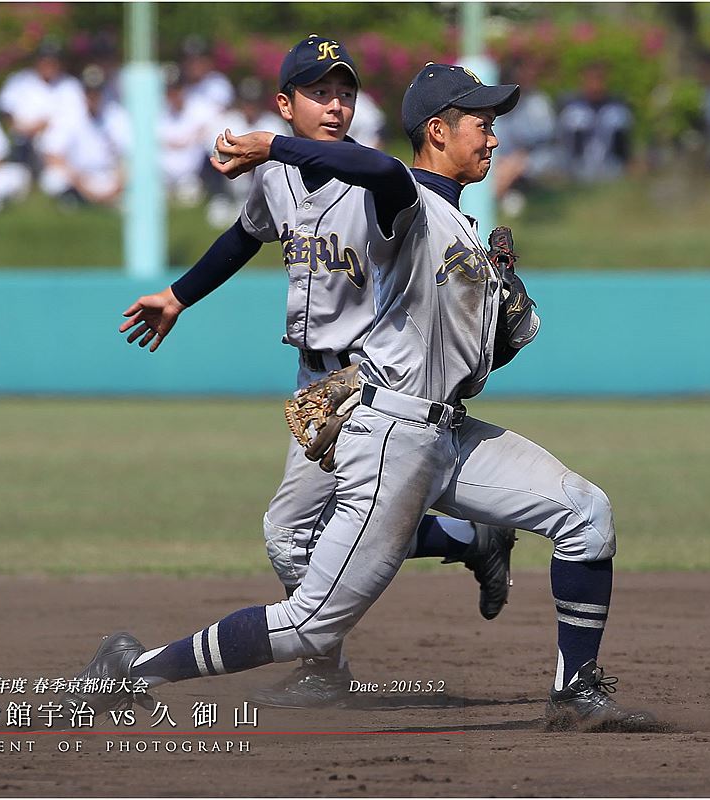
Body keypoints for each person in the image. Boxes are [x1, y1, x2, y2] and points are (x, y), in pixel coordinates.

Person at [72, 59, 650, 731]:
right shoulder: (406, 204)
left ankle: (575, 691)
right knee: (310, 623)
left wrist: (508, 308)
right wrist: (272, 147)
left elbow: (486, 355)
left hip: (449, 431)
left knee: (586, 512)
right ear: (437, 131)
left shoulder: (465, 232)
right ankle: (131, 670)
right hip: (391, 436)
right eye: (482, 125)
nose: (494, 139)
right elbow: (378, 172)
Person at [116, 38, 514, 710]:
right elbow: (245, 234)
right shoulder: (277, 179)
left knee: (289, 531)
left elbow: (366, 163)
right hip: (315, 382)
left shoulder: (376, 180)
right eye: (318, 93)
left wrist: (273, 144)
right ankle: (467, 538)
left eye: (345, 93)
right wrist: (178, 296)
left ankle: (324, 664)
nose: (335, 105)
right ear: (285, 102)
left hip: (370, 378)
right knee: (326, 527)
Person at [203, 76, 290, 228]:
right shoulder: (228, 120)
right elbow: (210, 147)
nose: (250, 107)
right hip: (229, 174)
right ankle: (222, 199)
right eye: (247, 102)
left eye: (254, 103)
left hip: (258, 178)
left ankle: (253, 205)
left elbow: (282, 157)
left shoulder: (273, 123)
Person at [38, 66, 130, 208]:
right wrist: (79, 181)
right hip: (77, 175)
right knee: (53, 178)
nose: (93, 96)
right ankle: (75, 199)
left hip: (107, 175)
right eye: (89, 91)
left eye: (96, 91)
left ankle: (84, 201)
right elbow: (52, 154)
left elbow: (127, 155)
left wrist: (118, 184)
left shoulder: (116, 115)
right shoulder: (69, 115)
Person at [0, 38, 86, 170]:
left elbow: (77, 119)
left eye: (53, 61)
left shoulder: (70, 85)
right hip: (23, 141)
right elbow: (5, 110)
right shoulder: (20, 80)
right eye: (45, 60)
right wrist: (24, 128)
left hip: (62, 144)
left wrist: (45, 125)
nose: (48, 65)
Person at [491, 58, 559, 216]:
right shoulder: (499, 105)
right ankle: (499, 198)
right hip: (503, 161)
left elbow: (546, 138)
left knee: (514, 163)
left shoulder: (538, 102)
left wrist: (518, 156)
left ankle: (489, 202)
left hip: (536, 157)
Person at [557, 61, 634, 182]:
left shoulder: (617, 108)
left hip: (612, 167)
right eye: (591, 79)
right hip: (578, 168)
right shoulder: (572, 109)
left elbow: (625, 145)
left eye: (599, 79)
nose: (595, 84)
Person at [158, 65, 217, 205]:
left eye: (176, 89)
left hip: (192, 176)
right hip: (162, 174)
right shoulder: (159, 111)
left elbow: (215, 128)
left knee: (188, 197)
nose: (173, 94)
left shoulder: (200, 107)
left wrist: (196, 135)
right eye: (169, 90)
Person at [180, 35, 235, 113]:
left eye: (200, 61)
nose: (195, 66)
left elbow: (219, 116)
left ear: (209, 62)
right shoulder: (179, 86)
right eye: (191, 61)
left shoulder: (218, 84)